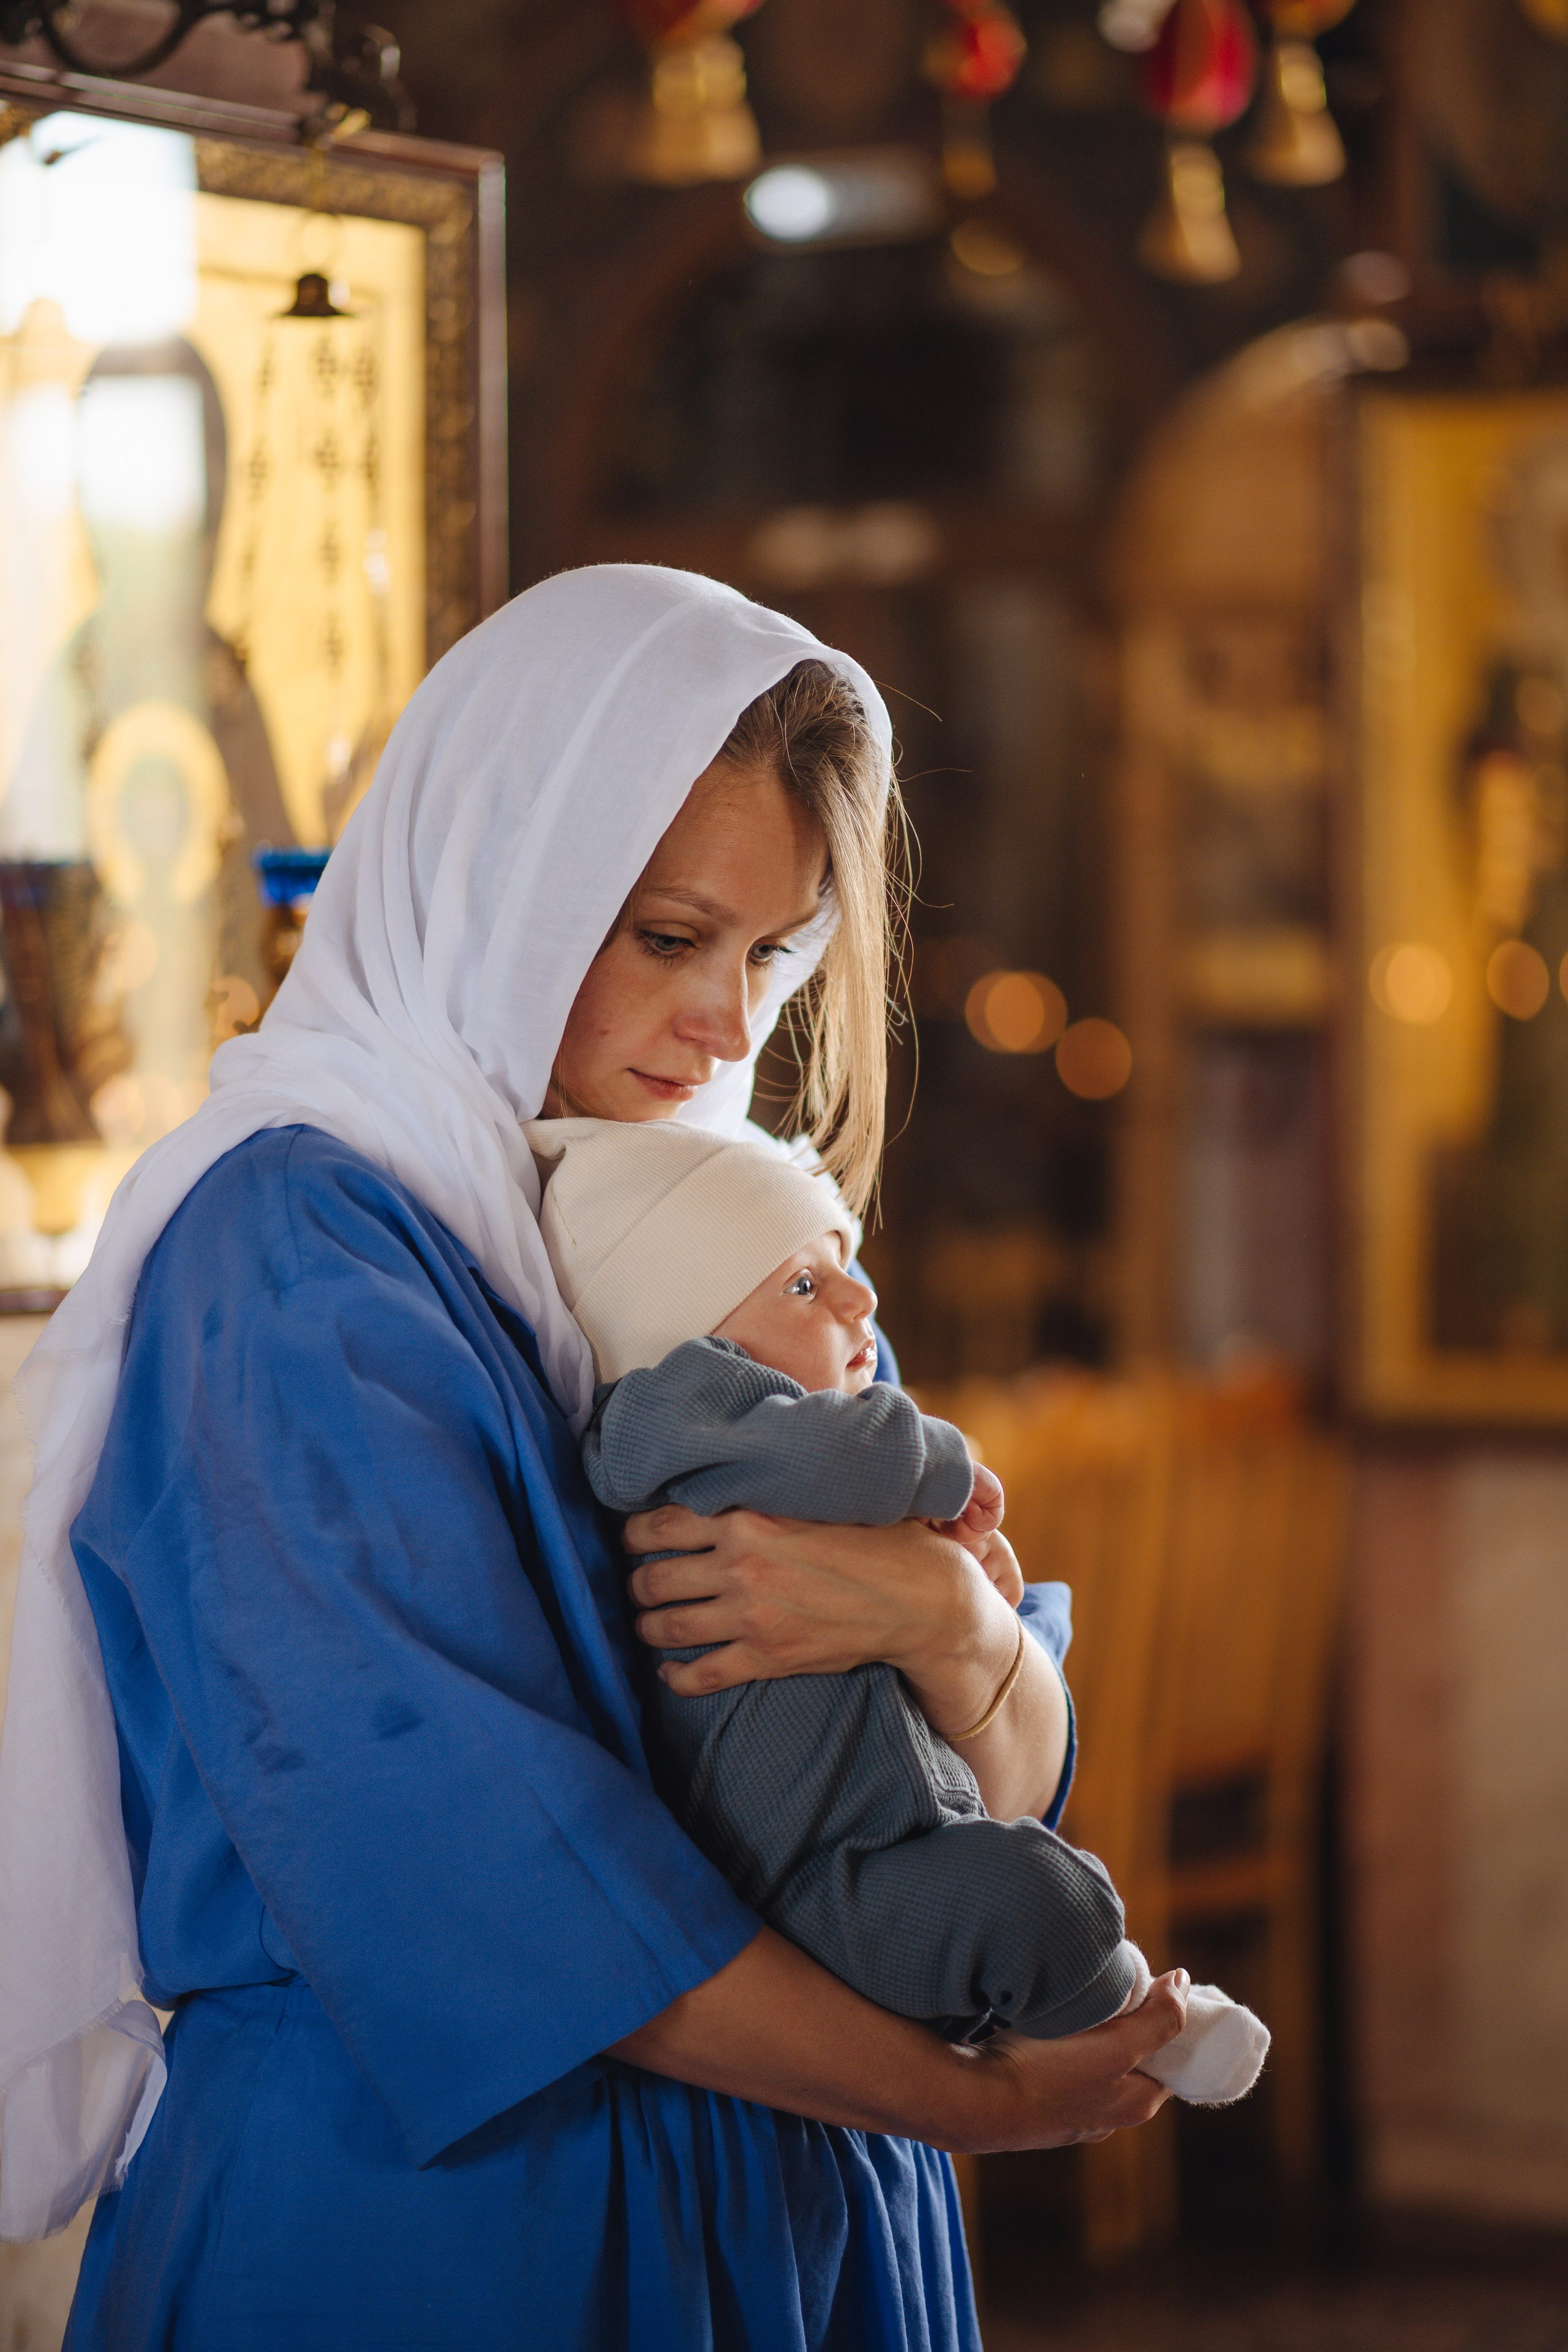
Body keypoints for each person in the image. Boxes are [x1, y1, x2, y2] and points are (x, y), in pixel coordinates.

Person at [0, 567, 1187, 2351]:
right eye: (665, 936)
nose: (727, 1024)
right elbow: (478, 1871)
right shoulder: (299, 1256)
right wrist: (975, 2101)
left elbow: (997, 1781)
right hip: (457, 2226)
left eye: (774, 955)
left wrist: (942, 1613)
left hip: (798, 2210)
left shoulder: (725, 1228)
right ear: (502, 875)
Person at [528, 1112, 1270, 2101]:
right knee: (1039, 1897)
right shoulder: (667, 1413)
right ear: (687, 1333)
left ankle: (1122, 2010)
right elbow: (863, 1451)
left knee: (1027, 1882)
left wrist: (971, 1598)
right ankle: (1135, 2015)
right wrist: (940, 1464)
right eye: (802, 1283)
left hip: (900, 1827)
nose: (861, 1298)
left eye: (845, 1264)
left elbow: (1017, 1696)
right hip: (814, 1877)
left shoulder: (786, 1449)